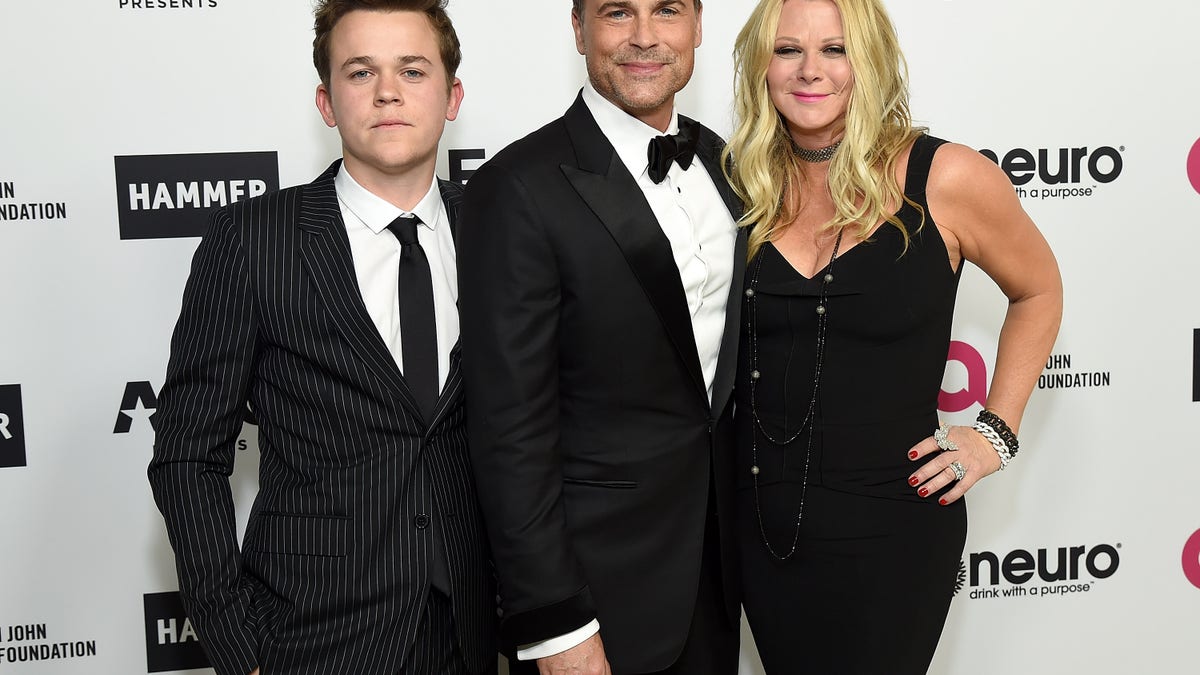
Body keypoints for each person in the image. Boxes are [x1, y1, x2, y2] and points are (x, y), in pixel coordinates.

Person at [147, 2, 497, 674]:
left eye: (413, 70)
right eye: (360, 71)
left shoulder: (502, 229)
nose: (388, 92)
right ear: (326, 101)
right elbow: (188, 453)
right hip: (308, 641)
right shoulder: (252, 240)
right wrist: (235, 644)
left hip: (469, 637)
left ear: (452, 97)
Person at [723, 0, 1063, 673]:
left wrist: (995, 431)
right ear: (762, 66)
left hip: (894, 530)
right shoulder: (737, 182)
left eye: (835, 50)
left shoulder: (946, 177)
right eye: (788, 50)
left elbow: (1040, 289)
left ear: (870, 60)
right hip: (760, 526)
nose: (810, 70)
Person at [456, 1, 745, 673]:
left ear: (697, 28)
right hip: (597, 598)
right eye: (618, 12)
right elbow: (508, 430)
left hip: (718, 579)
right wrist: (556, 624)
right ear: (579, 30)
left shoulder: (728, 164)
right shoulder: (516, 186)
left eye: (666, 10)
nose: (644, 37)